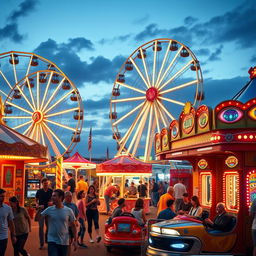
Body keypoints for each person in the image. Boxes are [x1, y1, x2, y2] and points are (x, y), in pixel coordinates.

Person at [40, 189, 77, 256]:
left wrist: (75, 240)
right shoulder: (49, 209)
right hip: (52, 240)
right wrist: (39, 209)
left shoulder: (69, 210)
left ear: (60, 197)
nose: (52, 198)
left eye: (54, 196)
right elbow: (37, 218)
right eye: (52, 196)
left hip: (64, 241)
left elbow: (73, 226)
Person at [35, 177, 53, 249]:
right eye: (44, 183)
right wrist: (38, 205)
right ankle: (41, 243)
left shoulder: (51, 191)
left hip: (49, 210)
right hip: (41, 211)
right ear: (42, 184)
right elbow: (36, 201)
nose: (46, 184)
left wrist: (52, 202)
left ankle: (47, 239)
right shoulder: (39, 191)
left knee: (49, 227)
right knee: (41, 227)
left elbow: (53, 200)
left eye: (46, 183)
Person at [0, 188, 16, 256]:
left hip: (3, 236)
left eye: (3, 196)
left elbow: (11, 223)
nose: (2, 198)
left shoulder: (8, 208)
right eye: (0, 196)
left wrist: (13, 236)